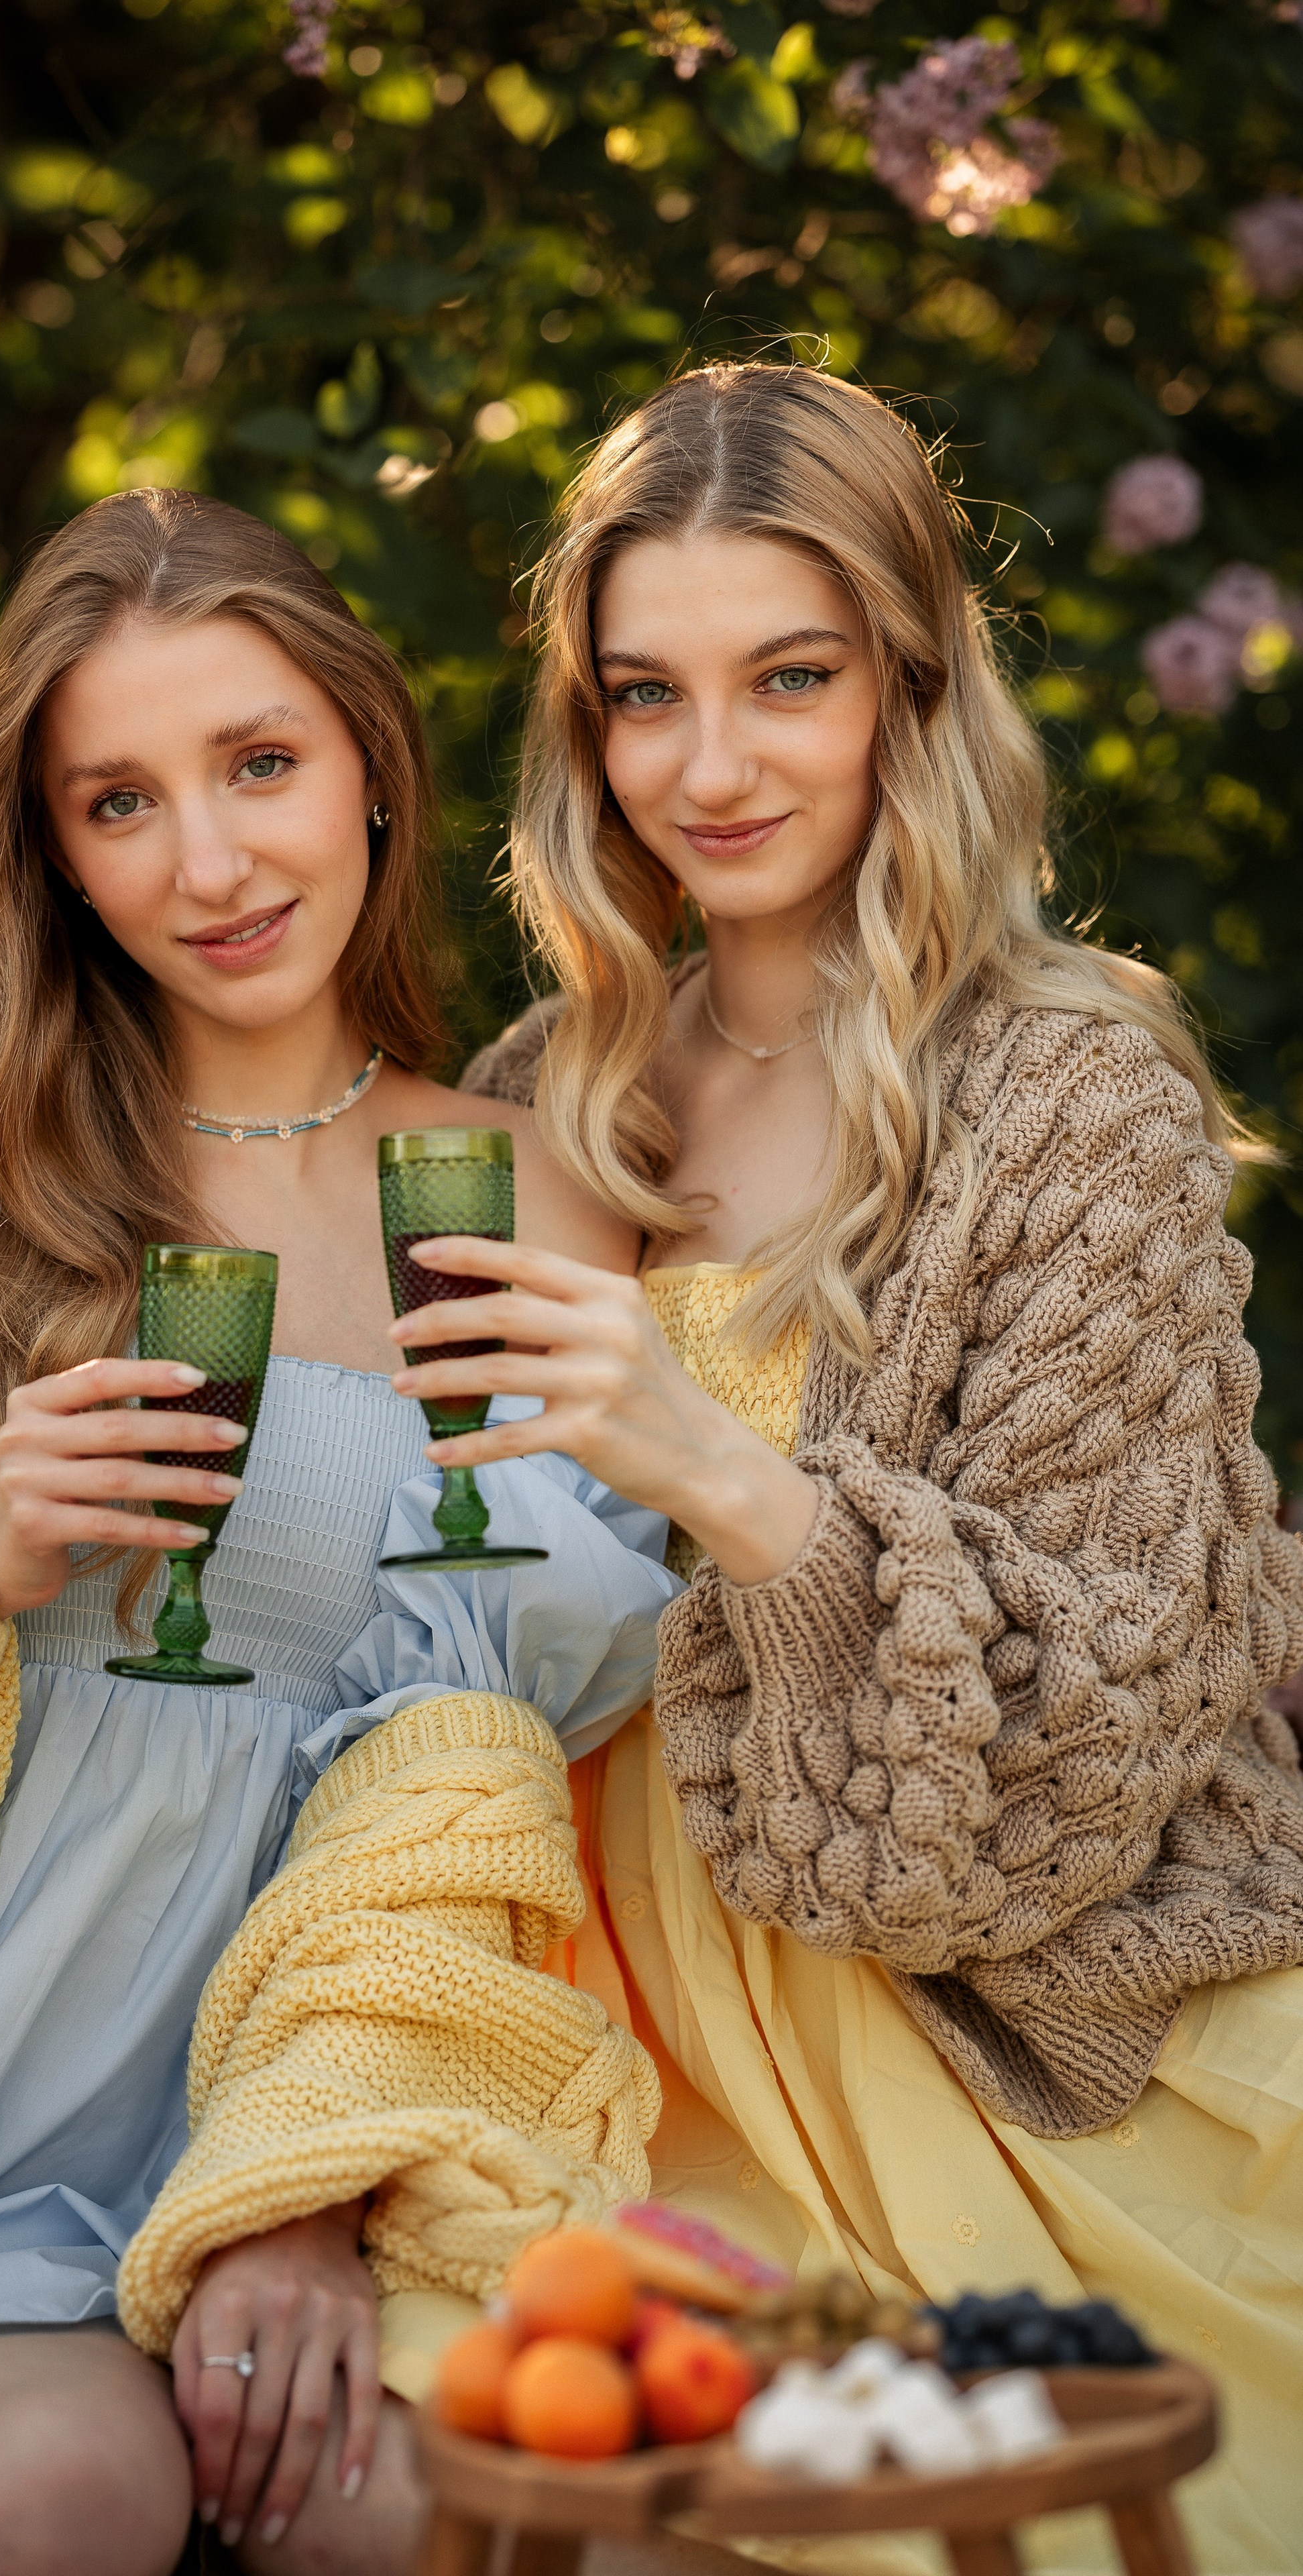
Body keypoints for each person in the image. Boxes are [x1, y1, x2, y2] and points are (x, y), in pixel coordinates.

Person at [0, 488, 679, 2576]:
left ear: (368, 758)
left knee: (76, 2488)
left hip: (194, 2097)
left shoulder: (527, 1202)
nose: (210, 862)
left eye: (261, 763)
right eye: (120, 801)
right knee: (54, 2500)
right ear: (54, 854)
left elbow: (463, 1757)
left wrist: (304, 2170)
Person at [394, 362, 1303, 2573]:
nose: (712, 769)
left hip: (985, 2021)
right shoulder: (550, 1091)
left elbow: (1097, 1729)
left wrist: (727, 1469)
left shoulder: (1073, 1101)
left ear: (911, 684)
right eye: (645, 696)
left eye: (787, 680)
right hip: (597, 1984)